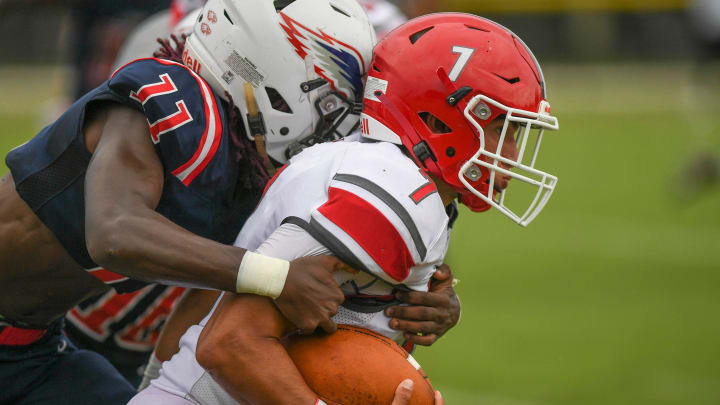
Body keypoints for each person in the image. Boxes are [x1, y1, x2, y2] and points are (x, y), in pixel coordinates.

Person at [128, 12, 560, 405]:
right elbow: (228, 343)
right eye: (501, 128)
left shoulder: (389, 175)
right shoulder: (388, 194)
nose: (512, 154)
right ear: (437, 120)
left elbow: (209, 305)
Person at [0, 0, 378, 403]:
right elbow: (114, 233)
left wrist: (415, 296)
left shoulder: (246, 160)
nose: (341, 124)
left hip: (30, 347)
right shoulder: (175, 98)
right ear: (268, 67)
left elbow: (224, 290)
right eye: (332, 101)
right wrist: (276, 277)